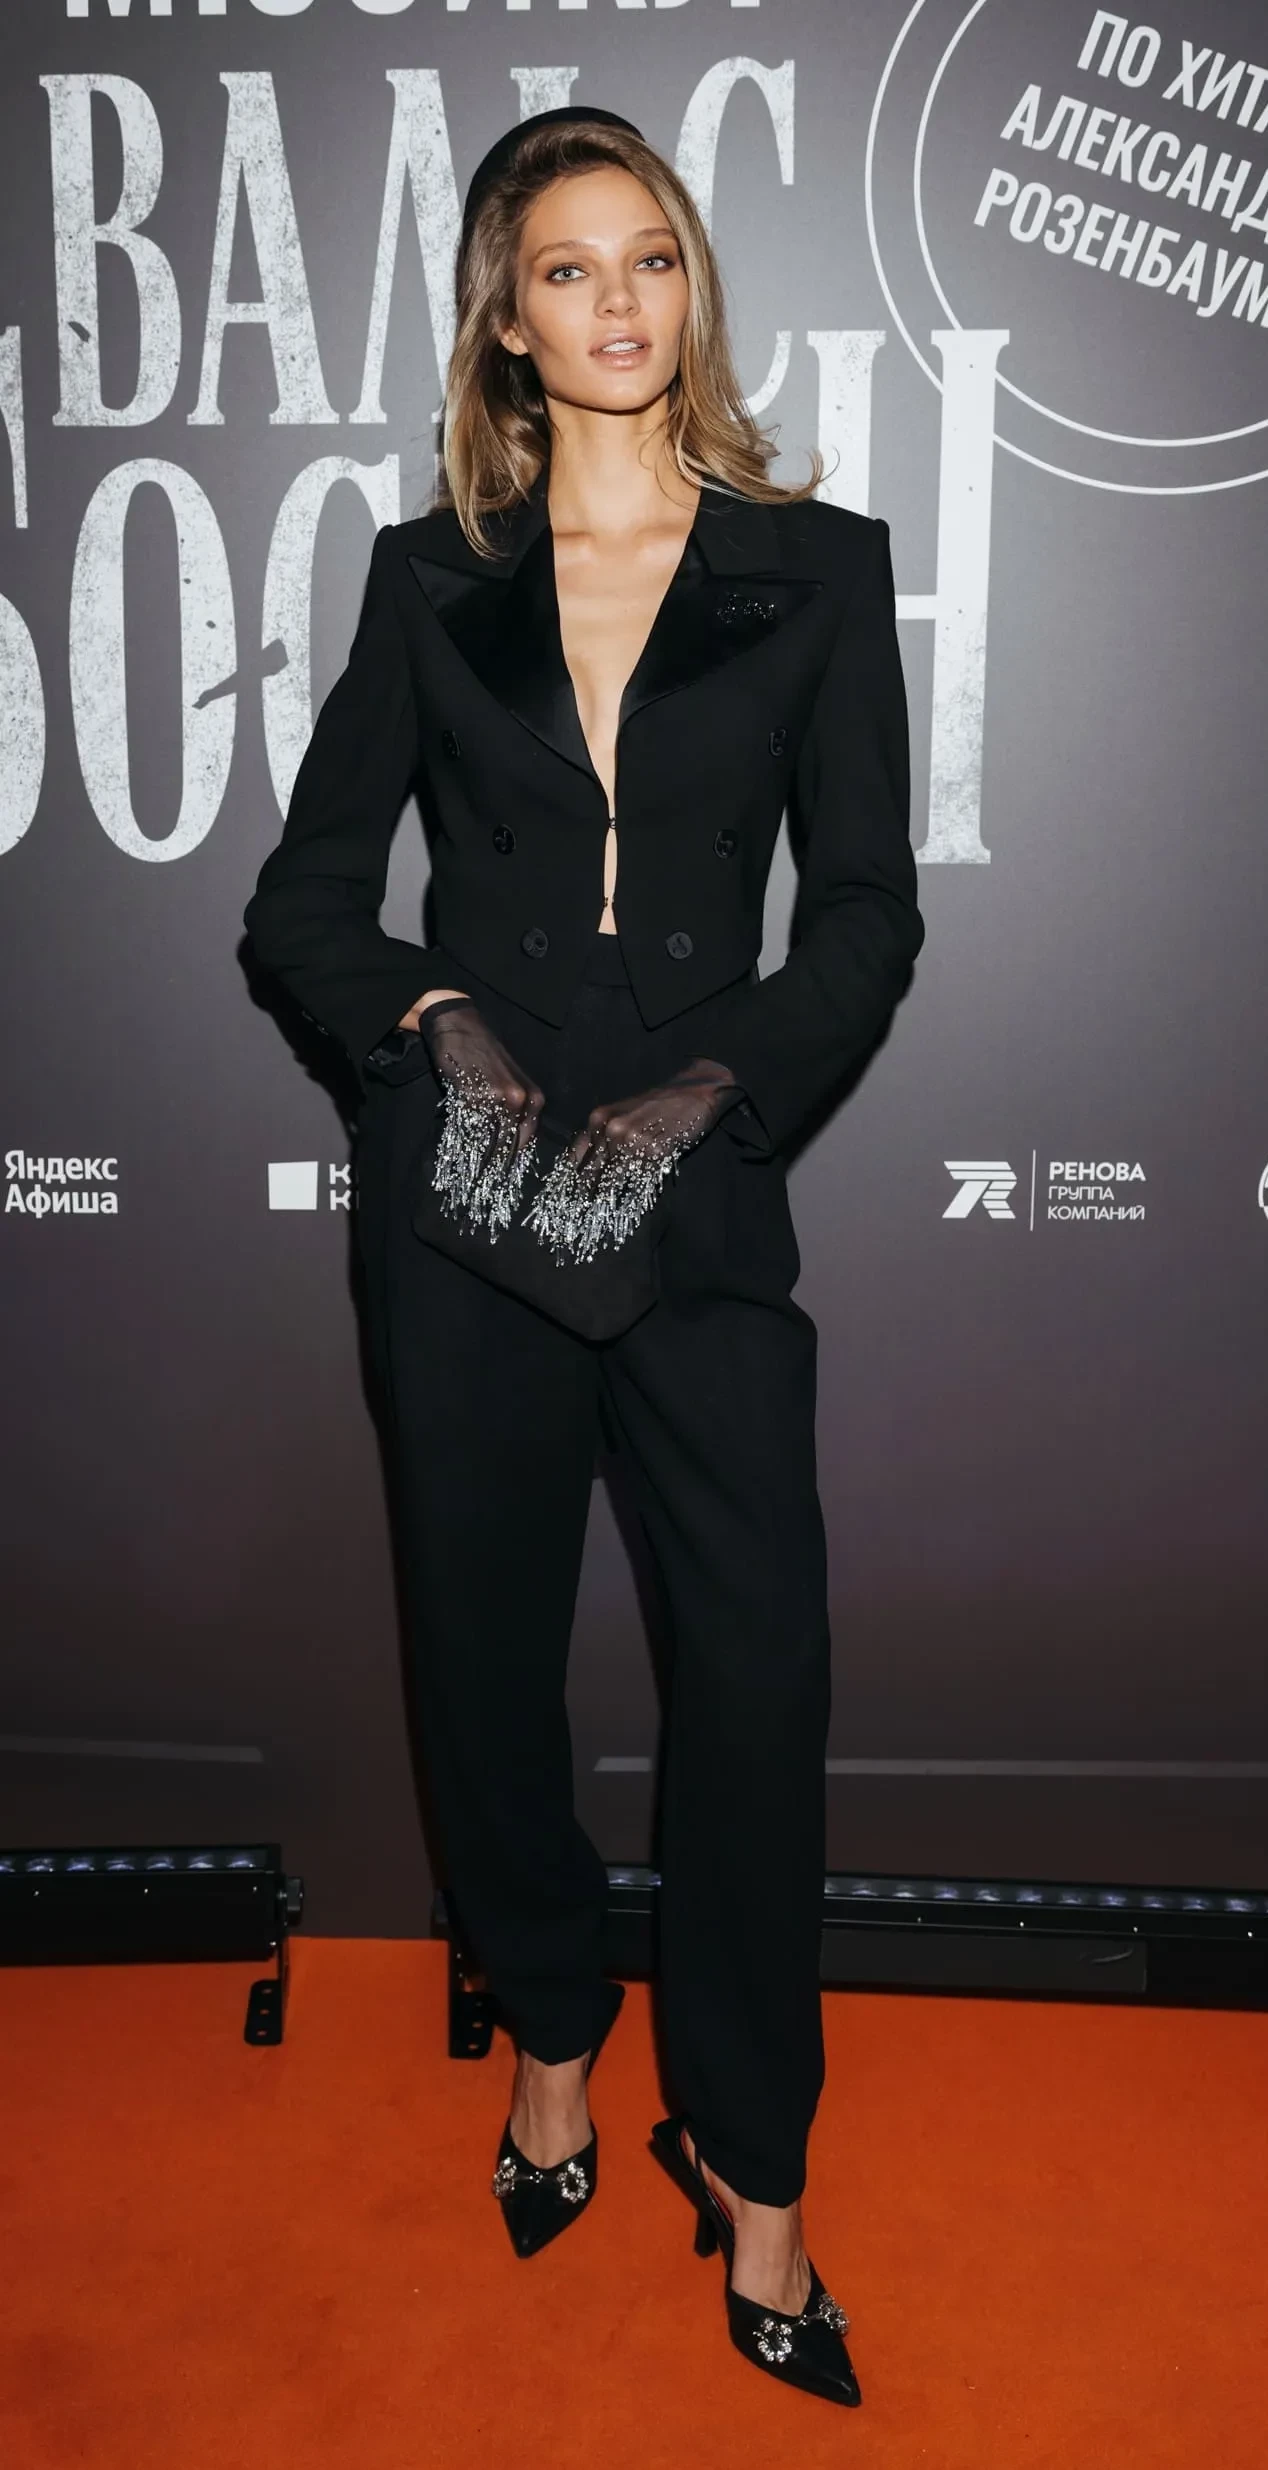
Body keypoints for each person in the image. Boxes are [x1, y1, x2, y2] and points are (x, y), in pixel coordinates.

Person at [244, 104, 923, 2409]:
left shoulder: (816, 571)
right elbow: (305, 903)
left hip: (696, 1186)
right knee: (482, 1660)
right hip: (463, 1204)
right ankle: (550, 2024)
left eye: (649, 257)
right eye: (567, 268)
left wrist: (706, 1088)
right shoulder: (427, 576)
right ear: (507, 320)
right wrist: (432, 1020)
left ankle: (751, 2152)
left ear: (685, 287)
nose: (618, 299)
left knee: (759, 1680)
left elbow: (865, 916)